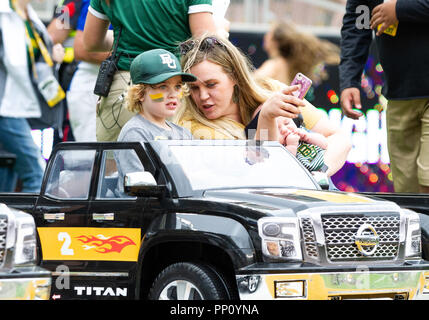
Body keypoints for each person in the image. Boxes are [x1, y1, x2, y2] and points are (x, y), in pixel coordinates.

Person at [175, 34, 351, 177]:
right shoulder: (190, 127)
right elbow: (262, 169)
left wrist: (319, 174)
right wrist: (267, 117)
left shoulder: (271, 89)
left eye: (211, 84)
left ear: (235, 76)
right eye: (194, 88)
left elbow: (339, 137)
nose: (203, 96)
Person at [83, 0, 218, 142]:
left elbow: (91, 42)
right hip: (175, 88)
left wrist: (127, 38)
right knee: (174, 162)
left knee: (114, 161)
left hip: (126, 88)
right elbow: (205, 43)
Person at [339, 0, 429, 193]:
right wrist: (349, 81)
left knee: (427, 182)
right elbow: (357, 25)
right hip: (399, 96)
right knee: (408, 194)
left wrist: (401, 9)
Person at [115, 49, 197, 193]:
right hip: (145, 211)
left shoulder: (183, 132)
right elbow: (138, 190)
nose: (173, 94)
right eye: (163, 87)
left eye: (177, 86)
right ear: (140, 93)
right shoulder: (135, 132)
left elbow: (194, 179)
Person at [0, 0, 61, 192]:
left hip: (19, 105)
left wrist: (52, 58)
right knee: (37, 175)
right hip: (6, 108)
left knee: (7, 170)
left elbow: (34, 60)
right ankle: (28, 223)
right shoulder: (5, 13)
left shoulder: (29, 16)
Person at [67, 0, 110, 141]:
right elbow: (58, 30)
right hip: (90, 84)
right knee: (92, 155)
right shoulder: (71, 3)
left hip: (115, 84)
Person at [255, 21, 340, 86]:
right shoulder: (289, 64)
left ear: (275, 42)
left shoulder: (275, 64)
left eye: (269, 33)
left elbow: (252, 83)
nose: (265, 36)